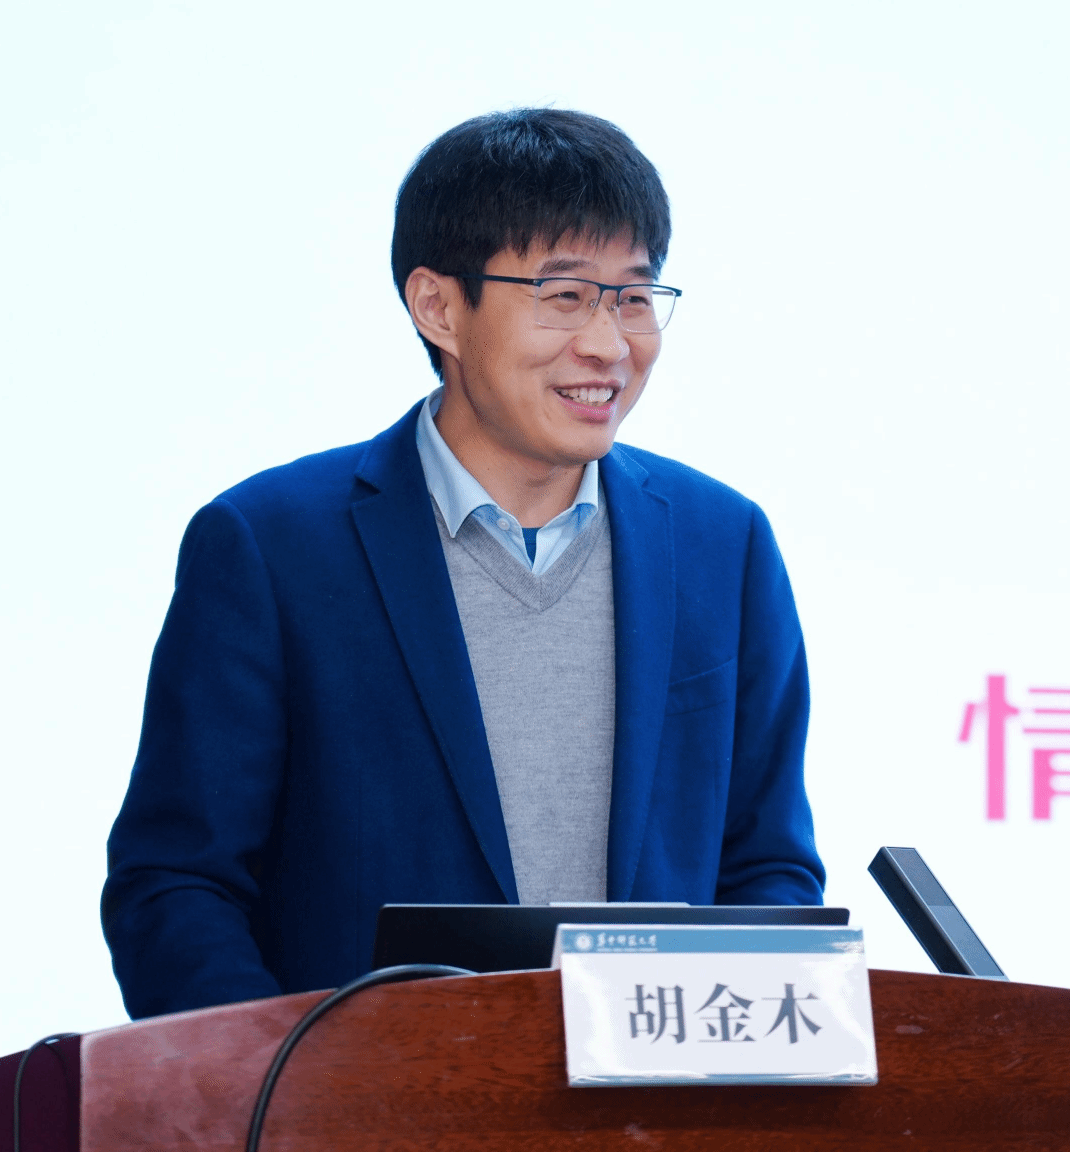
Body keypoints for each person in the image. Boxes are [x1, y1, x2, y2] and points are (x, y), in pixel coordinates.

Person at [100, 109, 824, 1019]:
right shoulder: (272, 545)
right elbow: (177, 884)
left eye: (635, 298)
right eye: (565, 295)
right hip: (358, 1093)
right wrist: (287, 1082)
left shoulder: (724, 543)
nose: (609, 345)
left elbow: (767, 868)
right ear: (438, 306)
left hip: (653, 1092)